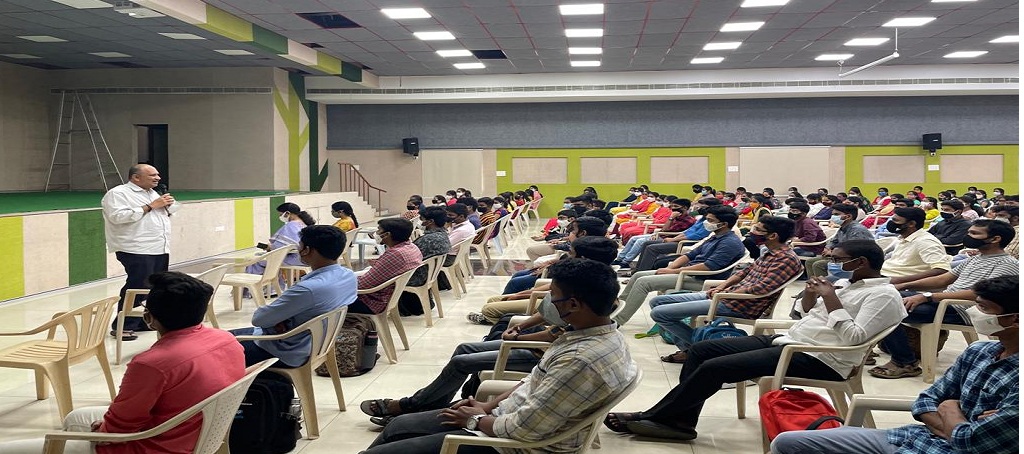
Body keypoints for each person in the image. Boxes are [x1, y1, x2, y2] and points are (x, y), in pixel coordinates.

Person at [605, 240, 906, 441]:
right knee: (701, 350)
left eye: (838, 260)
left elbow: (855, 338)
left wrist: (830, 299)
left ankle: (655, 417)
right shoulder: (845, 283)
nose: (831, 264)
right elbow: (806, 315)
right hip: (790, 341)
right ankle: (681, 421)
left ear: (861, 262)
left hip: (821, 357)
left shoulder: (883, 295)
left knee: (715, 368)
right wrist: (811, 296)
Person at [360, 258, 636, 454]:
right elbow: (532, 382)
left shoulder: (580, 361)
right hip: (501, 419)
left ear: (573, 304)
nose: (549, 302)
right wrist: (486, 406)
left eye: (553, 295)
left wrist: (475, 420)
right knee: (398, 425)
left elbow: (525, 430)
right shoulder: (592, 335)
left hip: (514, 446)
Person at [0, 272, 245, 454]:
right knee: (75, 418)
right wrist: (106, 428)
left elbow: (118, 430)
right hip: (198, 434)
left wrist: (103, 430)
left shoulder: (152, 364)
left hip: (155, 446)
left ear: (149, 318)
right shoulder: (226, 340)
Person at [771, 276, 1019, 454]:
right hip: (913, 437)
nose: (975, 312)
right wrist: (956, 422)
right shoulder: (979, 352)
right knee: (787, 442)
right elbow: (925, 401)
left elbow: (971, 443)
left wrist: (950, 408)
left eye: (983, 308)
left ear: (1015, 319)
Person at [870, 219, 1018, 379]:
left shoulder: (1007, 264)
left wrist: (929, 296)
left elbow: (983, 295)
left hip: (963, 309)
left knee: (889, 308)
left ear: (995, 239)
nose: (968, 236)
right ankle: (869, 348)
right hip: (944, 302)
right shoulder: (976, 258)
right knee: (881, 296)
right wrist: (904, 285)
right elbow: (943, 280)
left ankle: (904, 362)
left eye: (974, 233)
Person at [650, 216, 802, 363]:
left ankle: (705, 349)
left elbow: (761, 288)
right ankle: (691, 350)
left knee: (660, 314)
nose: (752, 232)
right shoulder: (768, 252)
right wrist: (722, 287)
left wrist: (726, 293)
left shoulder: (785, 259)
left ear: (773, 236)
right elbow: (744, 272)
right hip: (726, 296)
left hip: (740, 305)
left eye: (757, 229)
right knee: (657, 301)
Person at [232, 225, 357, 367]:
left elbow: (259, 319)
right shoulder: (348, 276)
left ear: (307, 250)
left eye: (300, 246)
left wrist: (278, 317)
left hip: (286, 350)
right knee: (226, 336)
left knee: (217, 348)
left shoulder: (308, 289)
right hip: (317, 345)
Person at [613, 206, 746, 326]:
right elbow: (690, 255)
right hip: (689, 273)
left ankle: (618, 320)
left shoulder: (729, 243)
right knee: (638, 275)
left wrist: (675, 271)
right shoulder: (715, 236)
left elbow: (708, 266)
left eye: (710, 220)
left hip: (702, 279)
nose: (706, 223)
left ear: (724, 224)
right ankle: (616, 308)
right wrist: (670, 269)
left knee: (643, 283)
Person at [467, 218, 610, 324]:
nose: (569, 235)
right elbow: (554, 285)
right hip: (550, 297)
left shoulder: (584, 269)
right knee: (494, 300)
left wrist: (522, 296)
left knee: (490, 308)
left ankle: (497, 317)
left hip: (552, 303)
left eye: (572, 231)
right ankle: (501, 313)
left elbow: (554, 293)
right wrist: (520, 295)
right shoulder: (588, 258)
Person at [101, 164, 180, 340]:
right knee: (138, 285)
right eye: (152, 175)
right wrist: (151, 206)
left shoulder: (153, 193)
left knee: (155, 286)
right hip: (135, 247)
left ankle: (143, 321)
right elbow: (118, 217)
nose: (158, 178)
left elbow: (165, 214)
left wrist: (167, 205)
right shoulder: (118, 193)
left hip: (159, 246)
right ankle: (123, 325)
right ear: (136, 177)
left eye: (157, 174)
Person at [349, 218, 423, 314]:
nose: (376, 233)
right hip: (390, 297)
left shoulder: (395, 254)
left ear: (387, 234)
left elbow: (362, 285)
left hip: (373, 301)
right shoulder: (412, 247)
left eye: (379, 230)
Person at [632, 198, 722, 272]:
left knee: (651, 248)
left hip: (688, 243)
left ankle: (642, 271)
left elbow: (697, 236)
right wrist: (674, 238)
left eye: (703, 207)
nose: (700, 209)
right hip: (679, 239)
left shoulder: (709, 222)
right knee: (646, 243)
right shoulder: (702, 219)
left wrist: (673, 239)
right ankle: (637, 270)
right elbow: (688, 231)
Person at [397, 207, 452, 313]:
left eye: (422, 219)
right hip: (428, 274)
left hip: (417, 276)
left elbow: (408, 258)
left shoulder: (428, 239)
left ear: (430, 221)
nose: (420, 222)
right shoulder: (443, 234)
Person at [611, 199, 695, 267]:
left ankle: (626, 261)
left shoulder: (688, 220)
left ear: (684, 208)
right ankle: (620, 259)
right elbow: (664, 229)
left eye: (676, 206)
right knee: (633, 238)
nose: (673, 208)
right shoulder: (675, 217)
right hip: (661, 235)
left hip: (669, 238)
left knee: (640, 241)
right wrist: (670, 219)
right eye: (672, 206)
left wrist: (660, 233)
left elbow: (674, 232)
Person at [881, 207, 951, 285]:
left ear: (911, 224)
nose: (892, 223)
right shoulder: (904, 238)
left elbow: (942, 270)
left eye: (896, 221)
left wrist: (900, 281)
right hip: (884, 276)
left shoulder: (925, 242)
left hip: (897, 283)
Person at [246, 202, 316, 281]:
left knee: (256, 261)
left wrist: (269, 247)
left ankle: (254, 285)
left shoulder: (290, 226)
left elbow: (280, 248)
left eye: (280, 214)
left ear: (287, 213)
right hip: (305, 257)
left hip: (296, 258)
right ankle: (275, 286)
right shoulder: (304, 224)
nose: (280, 217)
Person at [805, 203, 875, 278]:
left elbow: (854, 250)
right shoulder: (843, 227)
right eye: (832, 214)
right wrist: (827, 248)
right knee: (809, 262)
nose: (833, 217)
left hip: (855, 259)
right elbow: (834, 241)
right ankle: (814, 282)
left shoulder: (857, 230)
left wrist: (833, 252)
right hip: (842, 256)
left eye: (836, 214)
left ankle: (823, 284)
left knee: (819, 264)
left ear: (848, 216)